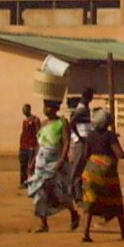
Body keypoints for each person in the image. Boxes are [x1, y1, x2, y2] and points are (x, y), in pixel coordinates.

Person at [81, 110, 124, 242]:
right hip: (106, 172)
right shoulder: (110, 136)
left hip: (90, 171)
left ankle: (85, 233)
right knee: (116, 200)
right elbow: (120, 154)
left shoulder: (90, 136)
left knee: (90, 202)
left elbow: (86, 155)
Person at [28, 97, 80, 232]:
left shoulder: (62, 122)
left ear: (55, 108)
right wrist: (33, 162)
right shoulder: (43, 124)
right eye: (45, 106)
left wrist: (62, 160)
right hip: (41, 163)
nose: (46, 109)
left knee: (59, 192)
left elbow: (67, 142)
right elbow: (39, 146)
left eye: (49, 106)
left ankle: (73, 213)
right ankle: (43, 223)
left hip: (56, 162)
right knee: (39, 193)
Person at [17, 104, 40, 187]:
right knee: (23, 164)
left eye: (25, 109)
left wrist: (37, 145)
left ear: (29, 110)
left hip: (31, 146)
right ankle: (23, 182)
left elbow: (38, 133)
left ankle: (31, 182)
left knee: (31, 165)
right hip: (23, 146)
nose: (24, 111)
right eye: (23, 109)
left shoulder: (35, 120)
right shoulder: (25, 121)